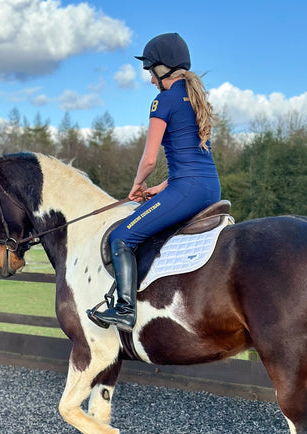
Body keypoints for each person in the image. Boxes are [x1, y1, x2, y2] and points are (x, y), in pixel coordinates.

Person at [89, 32, 221, 332]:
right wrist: (160, 188)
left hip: (187, 189)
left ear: (163, 70)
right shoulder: (195, 97)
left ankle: (124, 309)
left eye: (151, 72)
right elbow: (193, 162)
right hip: (208, 188)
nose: (150, 79)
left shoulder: (163, 100)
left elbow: (149, 160)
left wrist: (137, 185)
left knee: (121, 237)